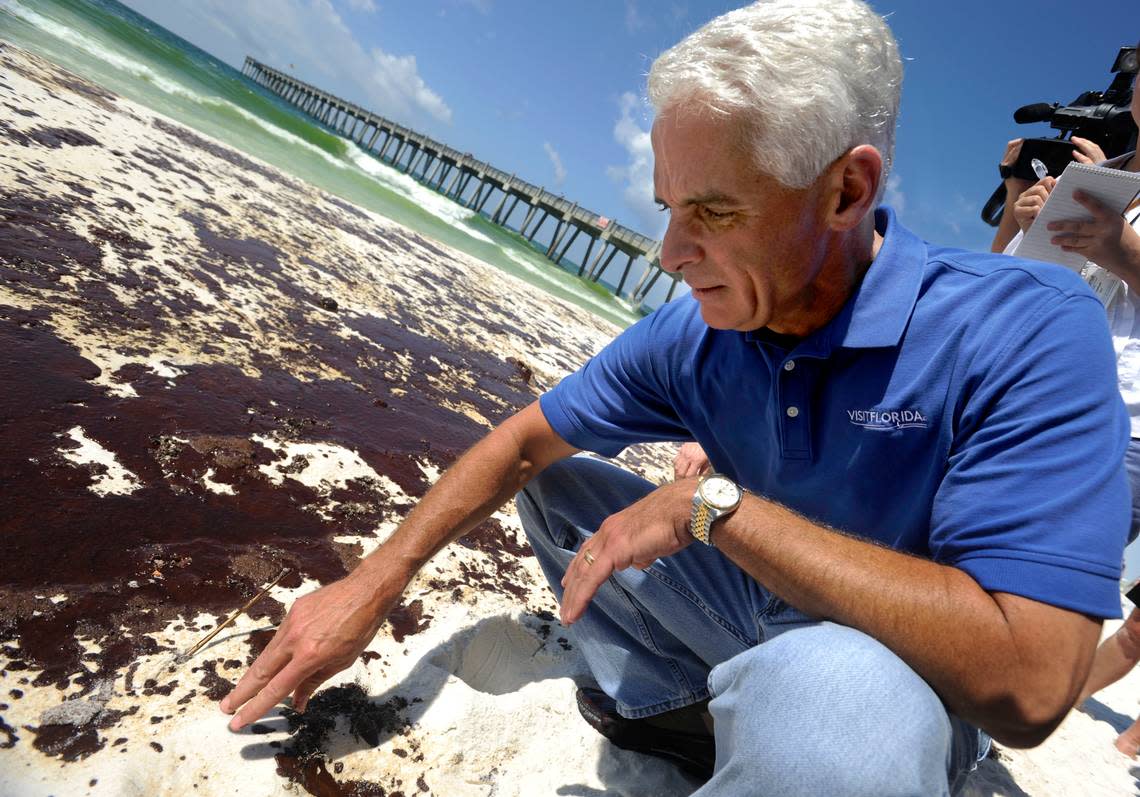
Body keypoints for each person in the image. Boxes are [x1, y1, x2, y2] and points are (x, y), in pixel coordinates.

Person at [220, 3, 1132, 794]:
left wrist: (716, 511)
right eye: (666, 206)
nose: (669, 251)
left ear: (845, 190)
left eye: (714, 211)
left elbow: (1034, 683)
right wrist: (372, 581)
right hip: (747, 610)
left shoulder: (1027, 325)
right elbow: (523, 441)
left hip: (894, 673)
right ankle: (677, 713)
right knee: (554, 482)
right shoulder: (698, 331)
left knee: (842, 712)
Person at [995, 49, 1140, 758]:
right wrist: (1028, 208)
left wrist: (1121, 249)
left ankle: (981, 720)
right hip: (1054, 387)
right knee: (984, 546)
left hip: (1132, 425)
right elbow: (1010, 273)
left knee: (1047, 581)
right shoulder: (1113, 174)